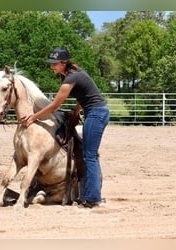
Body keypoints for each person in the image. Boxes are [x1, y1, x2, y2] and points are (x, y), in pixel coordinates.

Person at [21, 47, 110, 208]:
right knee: (89, 155)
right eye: (51, 63)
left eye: (55, 63)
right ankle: (90, 194)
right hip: (96, 112)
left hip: (96, 114)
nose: (52, 66)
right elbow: (86, 94)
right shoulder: (71, 75)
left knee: (89, 156)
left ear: (64, 63)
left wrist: (33, 117)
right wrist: (77, 110)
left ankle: (92, 198)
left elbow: (55, 105)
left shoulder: (70, 78)